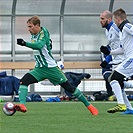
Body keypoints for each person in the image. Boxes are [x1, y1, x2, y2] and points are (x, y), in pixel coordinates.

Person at [14, 16, 98, 115]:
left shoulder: (43, 32)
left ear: (37, 25)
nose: (29, 29)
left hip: (51, 68)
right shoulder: (33, 35)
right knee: (24, 81)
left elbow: (39, 46)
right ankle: (22, 105)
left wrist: (24, 43)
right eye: (28, 27)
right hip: (39, 69)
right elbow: (45, 45)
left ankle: (89, 106)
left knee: (69, 87)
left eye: (30, 27)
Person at [100, 8, 133, 114]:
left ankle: (121, 105)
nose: (114, 22)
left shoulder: (127, 27)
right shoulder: (122, 31)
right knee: (116, 81)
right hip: (126, 59)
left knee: (113, 78)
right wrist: (109, 53)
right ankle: (126, 107)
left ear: (118, 19)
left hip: (129, 59)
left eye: (114, 19)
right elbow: (122, 49)